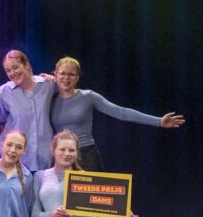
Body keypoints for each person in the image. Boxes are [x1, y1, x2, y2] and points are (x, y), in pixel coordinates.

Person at [50, 56, 185, 172]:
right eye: (62, 73)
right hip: (60, 157)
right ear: (55, 75)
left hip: (85, 156)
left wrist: (158, 121)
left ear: (77, 77)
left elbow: (121, 112)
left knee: (89, 196)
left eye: (71, 74)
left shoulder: (88, 96)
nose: (66, 78)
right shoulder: (49, 100)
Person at [0, 49, 55, 217]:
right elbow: (4, 121)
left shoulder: (48, 86)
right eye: (8, 70)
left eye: (15, 68)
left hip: (45, 165)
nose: (12, 73)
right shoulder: (5, 92)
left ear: (27, 64)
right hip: (19, 164)